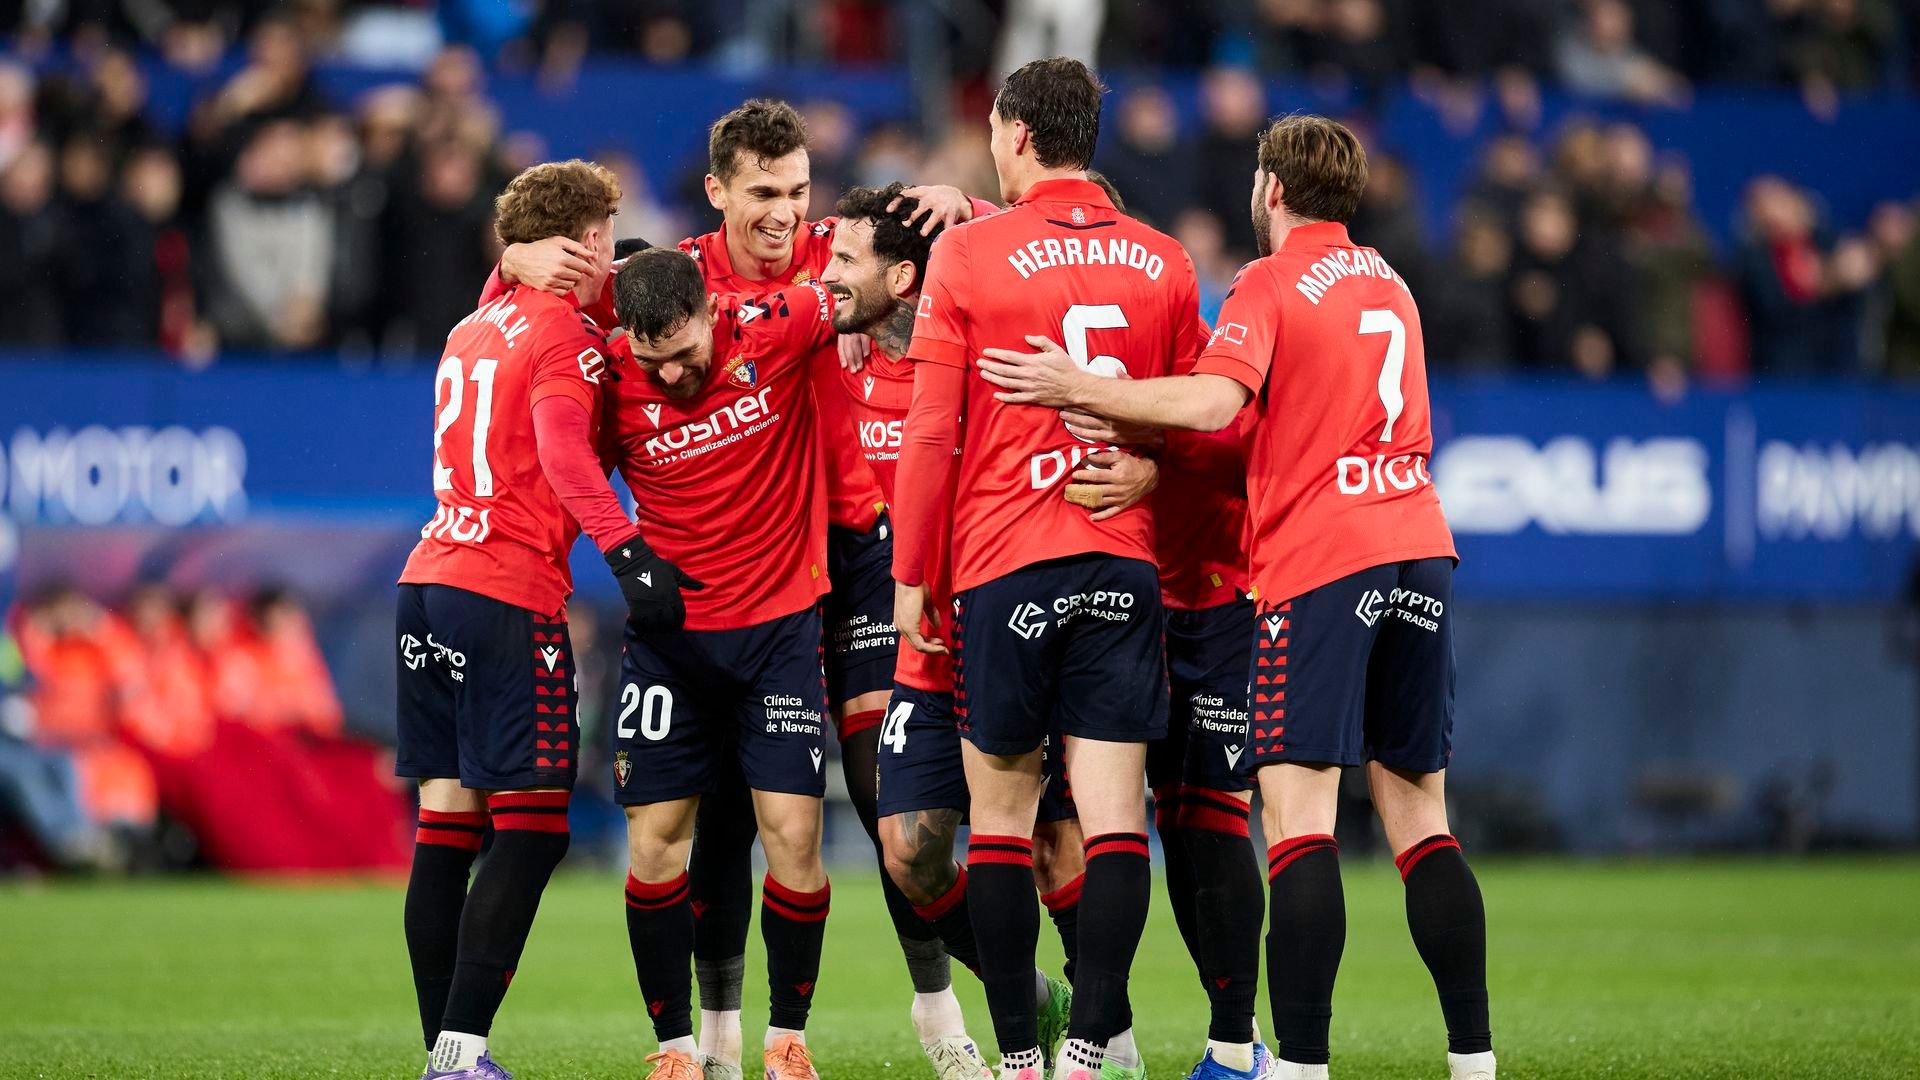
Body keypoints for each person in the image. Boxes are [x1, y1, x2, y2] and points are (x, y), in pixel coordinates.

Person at [975, 114, 1494, 1080]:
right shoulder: (1392, 283)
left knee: (1299, 824)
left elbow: (1217, 406)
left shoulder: (1271, 279)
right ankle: (1475, 1061)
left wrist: (1077, 385)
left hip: (1324, 561)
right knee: (1422, 818)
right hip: (1421, 546)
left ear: (1271, 188)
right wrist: (1168, 458)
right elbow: (1268, 435)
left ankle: (1295, 1065)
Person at [495, 104, 988, 1080]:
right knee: (714, 812)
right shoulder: (669, 281)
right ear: (717, 191)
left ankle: (948, 1010)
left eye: (798, 191)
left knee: (885, 801)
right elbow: (551, 306)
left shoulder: (838, 253)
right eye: (764, 192)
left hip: (851, 551)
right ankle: (714, 1038)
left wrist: (964, 204)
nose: (785, 213)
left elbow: (996, 254)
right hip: (740, 573)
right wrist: (510, 264)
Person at [889, 56, 1202, 1080]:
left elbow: (931, 435)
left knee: (1000, 825)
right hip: (1119, 561)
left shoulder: (969, 255)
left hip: (1004, 563)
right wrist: (1152, 468)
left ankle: (1019, 1060)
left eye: (992, 129)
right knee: (1114, 824)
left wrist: (912, 574)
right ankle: (1092, 1049)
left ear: (1017, 133)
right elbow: (1205, 413)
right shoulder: (1164, 259)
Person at [820, 181, 1163, 1079]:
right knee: (911, 850)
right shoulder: (835, 350)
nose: (828, 274)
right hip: (925, 632)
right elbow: (753, 263)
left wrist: (972, 206)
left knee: (1055, 846)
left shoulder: (984, 350)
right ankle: (1035, 999)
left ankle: (1108, 1036)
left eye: (846, 261)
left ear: (903, 277)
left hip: (1008, 609)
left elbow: (1064, 242)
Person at [396, 159, 687, 1080]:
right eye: (606, 236)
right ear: (588, 241)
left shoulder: (473, 323)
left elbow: (518, 303)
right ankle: (461, 1049)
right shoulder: (566, 336)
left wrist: (509, 262)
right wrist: (628, 551)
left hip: (428, 581)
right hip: (505, 592)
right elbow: (565, 452)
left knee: (447, 826)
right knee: (534, 827)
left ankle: (443, 1052)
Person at [602, 248, 842, 1080]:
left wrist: (963, 210)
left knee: (795, 840)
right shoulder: (606, 379)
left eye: (683, 352)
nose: (670, 374)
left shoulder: (781, 325)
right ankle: (674, 1051)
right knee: (655, 846)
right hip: (670, 647)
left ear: (712, 312)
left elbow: (875, 280)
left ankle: (787, 1041)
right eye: (652, 360)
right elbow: (567, 469)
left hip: (779, 634)